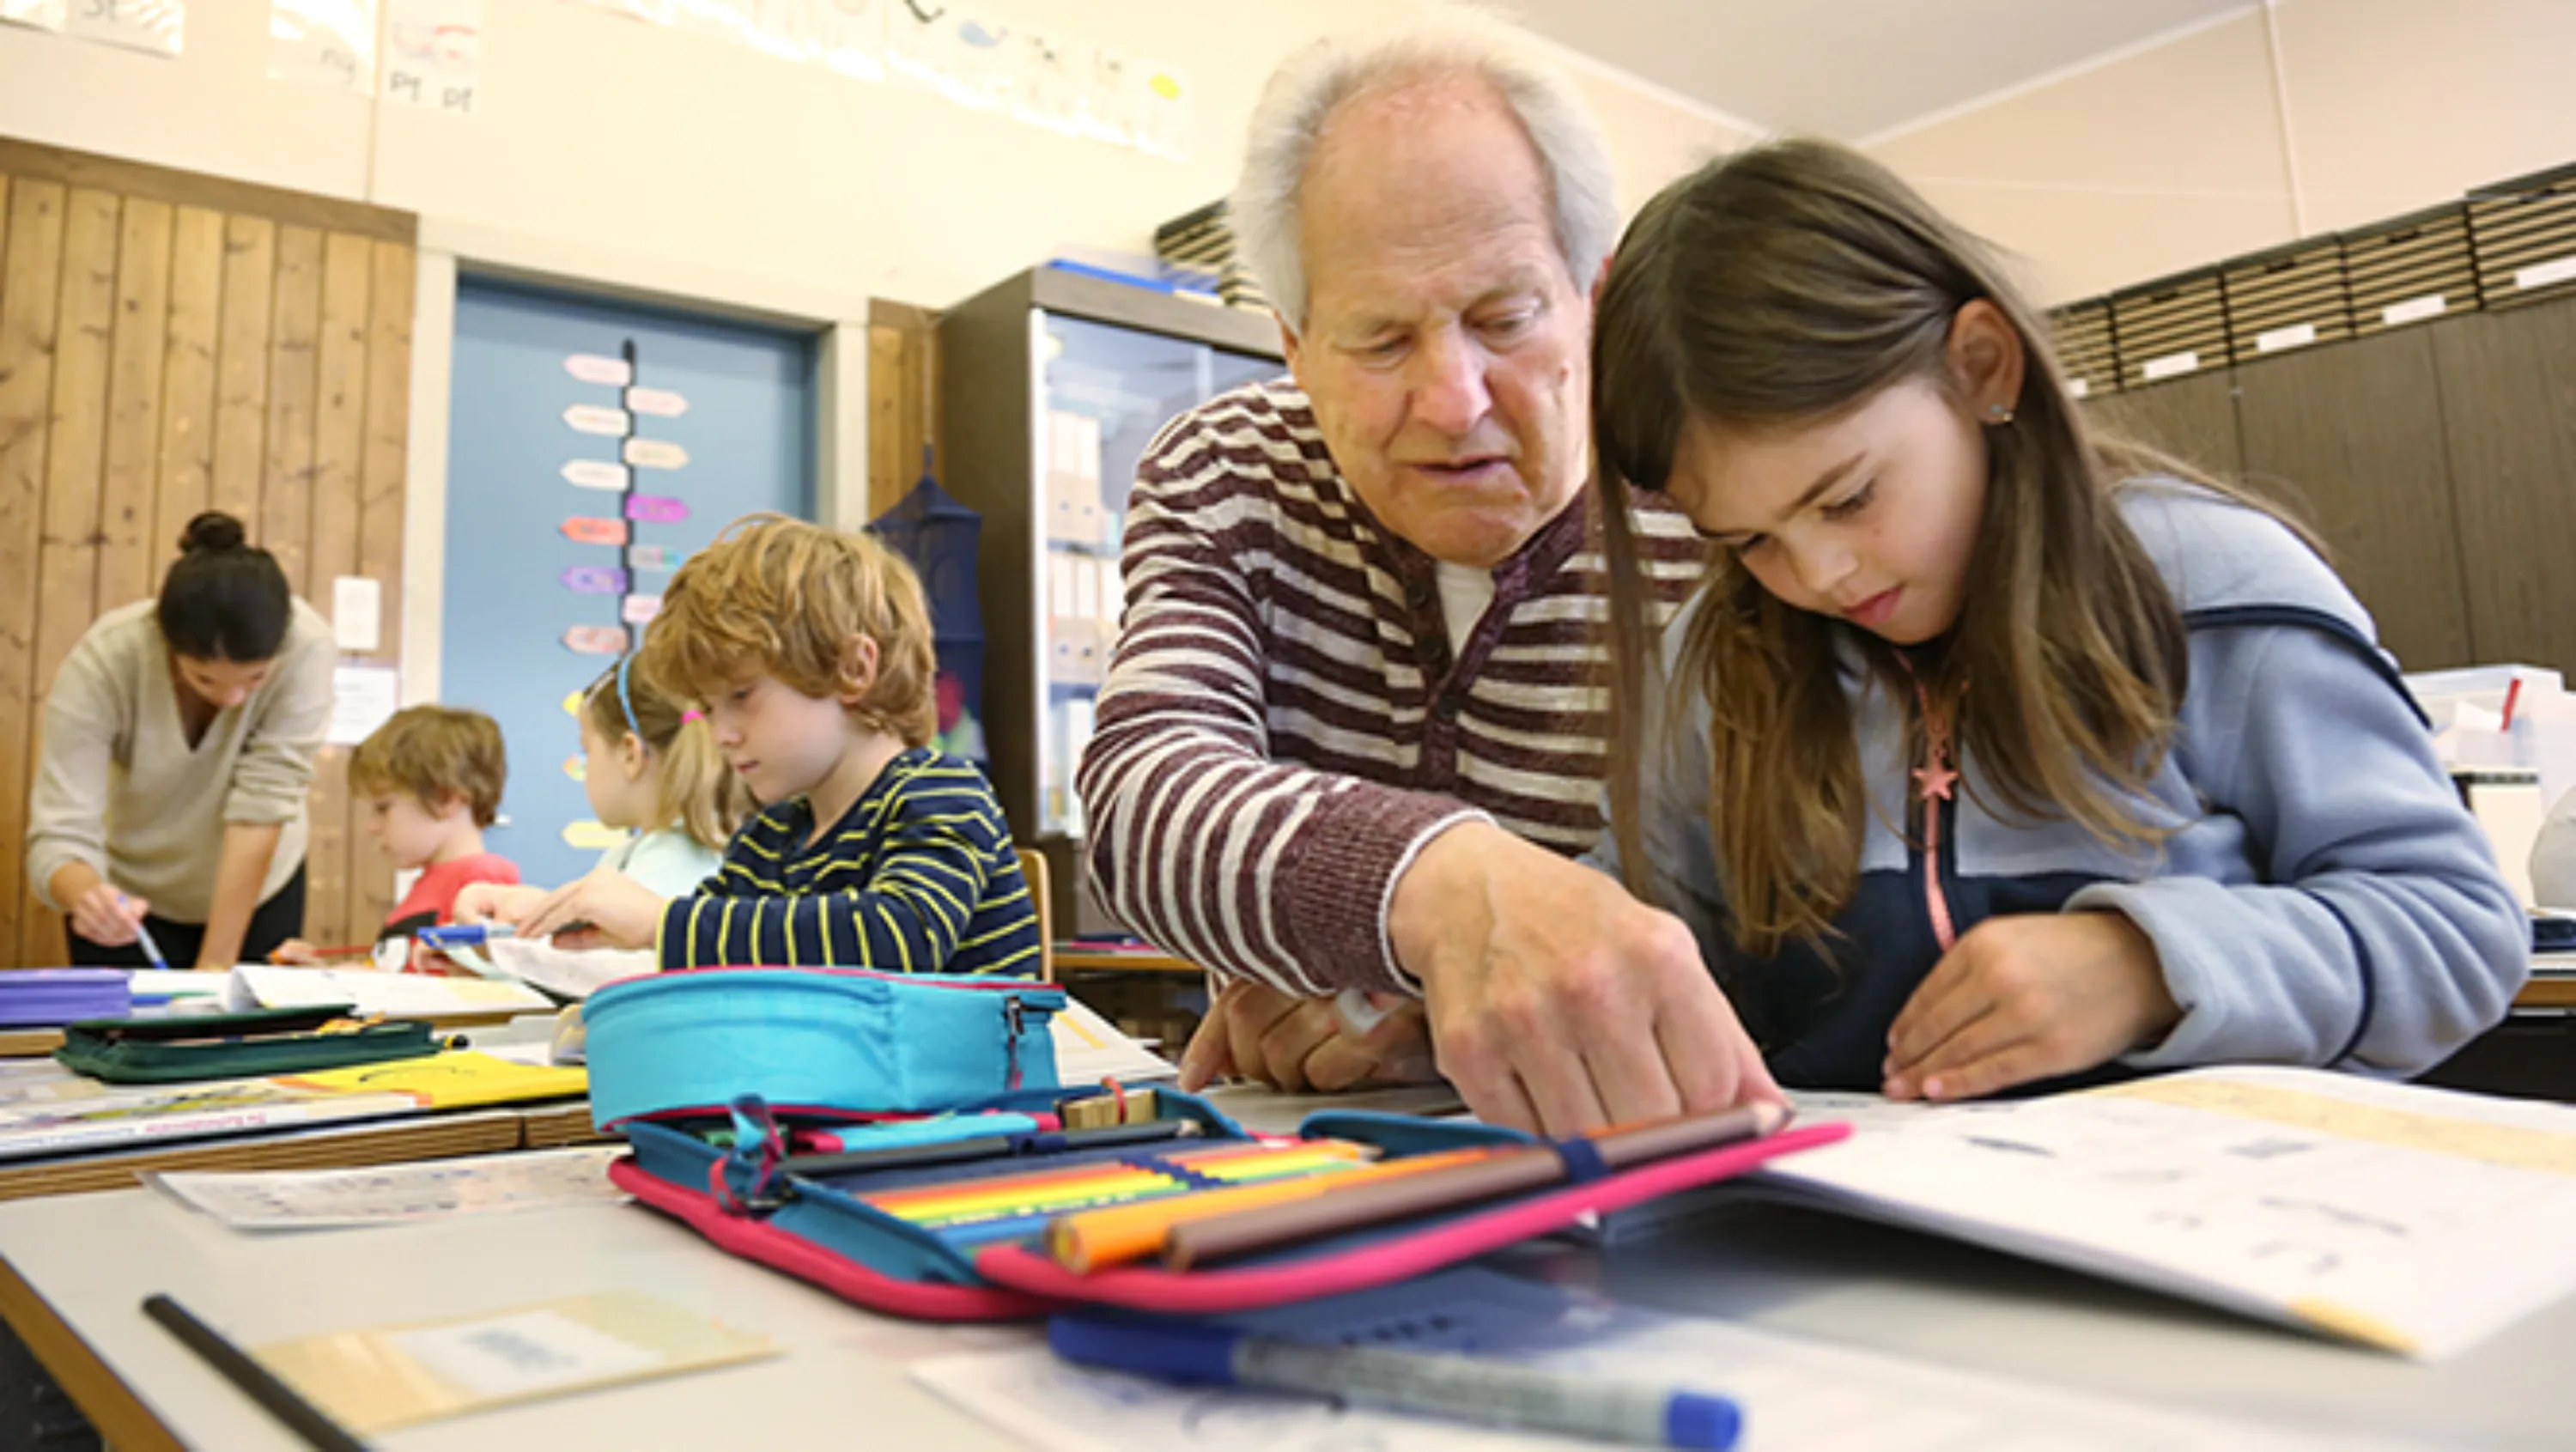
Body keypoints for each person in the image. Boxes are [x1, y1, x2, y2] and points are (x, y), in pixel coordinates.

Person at [1586, 138, 2527, 1100]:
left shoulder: (2218, 588)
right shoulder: (1712, 659)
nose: (1818, 573)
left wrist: (2146, 967)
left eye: (1851, 497)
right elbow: (1643, 927)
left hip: (2207, 1220)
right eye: (1749, 539)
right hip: (1841, 1223)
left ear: (1983, 369)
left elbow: (2458, 929)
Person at [1078, 20, 1772, 1135]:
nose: (1454, 400)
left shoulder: (1714, 494)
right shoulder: (1224, 473)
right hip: (1328, 1160)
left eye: (1504, 318)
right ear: (1295, 342)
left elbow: (1807, 885)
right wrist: (1435, 899)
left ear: (1592, 293)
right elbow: (1142, 794)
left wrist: (1464, 1003)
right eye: (1381, 341)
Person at [511, 515, 1042, 976]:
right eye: (711, 708)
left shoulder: (941, 792)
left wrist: (661, 923)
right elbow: (713, 950)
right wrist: (552, 915)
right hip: (833, 1087)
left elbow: (897, 935)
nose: (721, 734)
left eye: (742, 695)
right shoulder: (769, 840)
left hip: (964, 1092)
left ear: (853, 669)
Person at [27, 511, 333, 968]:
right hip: (132, 897)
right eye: (205, 679)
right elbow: (60, 831)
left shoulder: (306, 647)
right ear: (167, 646)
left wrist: (214, 970)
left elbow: (261, 807)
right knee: (123, 1038)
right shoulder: (107, 659)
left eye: (254, 680)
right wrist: (86, 896)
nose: (232, 699)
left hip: (256, 890)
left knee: (250, 1036)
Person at [458, 653, 751, 926]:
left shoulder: (674, 863)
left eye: (586, 750)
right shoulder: (640, 854)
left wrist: (480, 952)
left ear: (630, 754)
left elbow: (594, 964)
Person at [275, 705, 520, 966]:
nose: (372, 826)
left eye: (383, 808)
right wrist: (323, 975)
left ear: (444, 800)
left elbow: (468, 989)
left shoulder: (482, 881)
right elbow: (402, 976)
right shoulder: (429, 883)